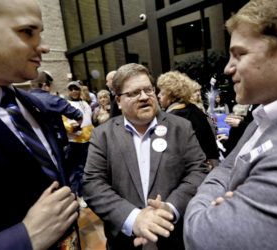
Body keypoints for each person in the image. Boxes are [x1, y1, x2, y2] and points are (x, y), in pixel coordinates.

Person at [184, 0, 277, 249]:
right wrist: (227, 192)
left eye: (239, 54)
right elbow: (227, 167)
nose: (228, 68)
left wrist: (208, 199)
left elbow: (202, 236)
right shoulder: (263, 116)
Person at [0, 0, 79, 249]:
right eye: (27, 32)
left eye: (41, 33)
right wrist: (25, 239)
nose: (44, 47)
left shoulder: (34, 106)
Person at [83, 63, 207, 250]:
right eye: (133, 93)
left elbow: (198, 171)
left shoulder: (180, 127)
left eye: (148, 90)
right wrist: (133, 218)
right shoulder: (103, 135)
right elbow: (92, 184)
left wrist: (170, 208)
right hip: (126, 242)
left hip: (172, 237)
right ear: (118, 100)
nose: (144, 97)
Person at [157, 71, 219, 168]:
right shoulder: (194, 110)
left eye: (162, 92)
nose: (158, 95)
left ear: (172, 95)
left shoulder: (174, 117)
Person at [63, 81, 94, 208]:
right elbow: (64, 122)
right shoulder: (66, 104)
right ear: (68, 91)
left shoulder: (85, 103)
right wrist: (72, 128)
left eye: (76, 89)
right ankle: (77, 196)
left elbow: (89, 121)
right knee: (76, 171)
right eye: (71, 89)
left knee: (84, 170)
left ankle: (83, 193)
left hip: (87, 141)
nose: (74, 91)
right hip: (74, 142)